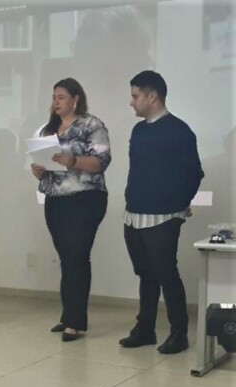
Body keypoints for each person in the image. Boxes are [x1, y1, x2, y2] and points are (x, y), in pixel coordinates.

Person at [119, 70, 203, 354]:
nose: (131, 102)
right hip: (134, 214)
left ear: (152, 96)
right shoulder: (139, 130)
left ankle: (179, 334)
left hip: (164, 217)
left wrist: (180, 203)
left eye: (135, 96)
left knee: (167, 273)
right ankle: (145, 329)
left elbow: (194, 173)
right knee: (146, 274)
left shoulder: (179, 130)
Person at [30, 78, 111, 342]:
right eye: (54, 97)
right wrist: (38, 170)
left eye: (61, 97)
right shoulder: (47, 130)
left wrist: (72, 160)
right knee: (66, 257)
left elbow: (100, 162)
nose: (56, 102)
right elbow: (41, 169)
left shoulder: (92, 125)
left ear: (76, 99)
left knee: (77, 255)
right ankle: (68, 315)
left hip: (86, 199)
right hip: (56, 199)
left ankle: (75, 322)